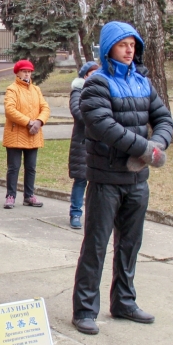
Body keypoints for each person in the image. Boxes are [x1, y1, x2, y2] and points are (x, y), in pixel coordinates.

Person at [71, 22, 173, 335]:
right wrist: (146, 148)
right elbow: (103, 126)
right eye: (122, 45)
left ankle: (124, 302)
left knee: (130, 245)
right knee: (96, 245)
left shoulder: (143, 82)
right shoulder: (97, 84)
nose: (129, 50)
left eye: (133, 44)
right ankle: (85, 309)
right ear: (108, 49)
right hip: (106, 180)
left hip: (137, 182)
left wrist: (158, 145)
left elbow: (164, 118)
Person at [2, 60, 51, 209]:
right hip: (16, 134)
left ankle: (29, 196)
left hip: (33, 134)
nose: (27, 74)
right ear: (17, 73)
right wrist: (29, 122)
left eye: (29, 71)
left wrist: (39, 121)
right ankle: (10, 195)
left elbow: (45, 108)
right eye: (24, 71)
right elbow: (9, 110)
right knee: (14, 167)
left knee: (31, 167)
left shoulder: (36, 89)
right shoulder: (12, 89)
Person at [68, 61, 99, 229]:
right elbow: (78, 112)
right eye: (91, 73)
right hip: (82, 143)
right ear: (85, 76)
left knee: (98, 182)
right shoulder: (77, 91)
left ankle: (95, 216)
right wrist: (99, 120)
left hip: (99, 142)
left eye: (97, 72)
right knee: (81, 180)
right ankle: (75, 213)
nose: (94, 75)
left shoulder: (101, 90)